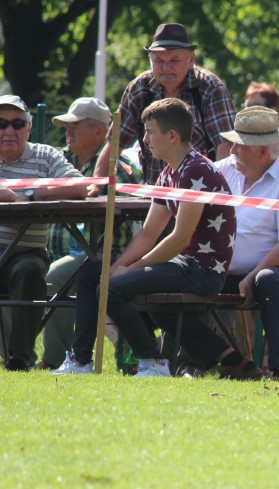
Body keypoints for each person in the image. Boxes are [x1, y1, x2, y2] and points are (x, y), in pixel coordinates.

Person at [53, 98, 244, 378]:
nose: (144, 139)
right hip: (184, 266)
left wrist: (130, 269)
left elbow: (179, 238)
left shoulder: (196, 171)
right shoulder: (168, 174)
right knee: (92, 273)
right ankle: (80, 360)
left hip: (203, 271)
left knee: (113, 288)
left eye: (149, 132)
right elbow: (149, 233)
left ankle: (152, 362)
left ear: (172, 136)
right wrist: (119, 266)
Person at [191, 106, 279, 380]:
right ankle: (202, 362)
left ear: (262, 151)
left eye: (239, 145)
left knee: (268, 280)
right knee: (182, 279)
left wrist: (253, 274)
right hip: (223, 270)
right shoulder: (219, 171)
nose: (232, 150)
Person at [39, 97, 138, 369]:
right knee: (17, 270)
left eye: (76, 127)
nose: (68, 132)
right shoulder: (59, 160)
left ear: (99, 132)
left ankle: (53, 360)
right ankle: (14, 356)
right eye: (66, 126)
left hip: (103, 253)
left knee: (56, 276)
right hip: (52, 250)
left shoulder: (121, 165)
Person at [0, 95, 87, 371]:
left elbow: (80, 188)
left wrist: (26, 196)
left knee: (29, 271)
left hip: (23, 253)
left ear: (29, 126)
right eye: (1, 124)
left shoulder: (45, 156)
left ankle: (19, 359)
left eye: (17, 123)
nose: (9, 131)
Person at [93, 23, 235, 186]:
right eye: (159, 60)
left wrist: (220, 196)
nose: (166, 68)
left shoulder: (210, 88)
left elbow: (225, 146)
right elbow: (115, 143)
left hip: (200, 194)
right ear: (150, 61)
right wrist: (96, 185)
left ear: (191, 60)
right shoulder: (140, 88)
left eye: (174, 60)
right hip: (155, 192)